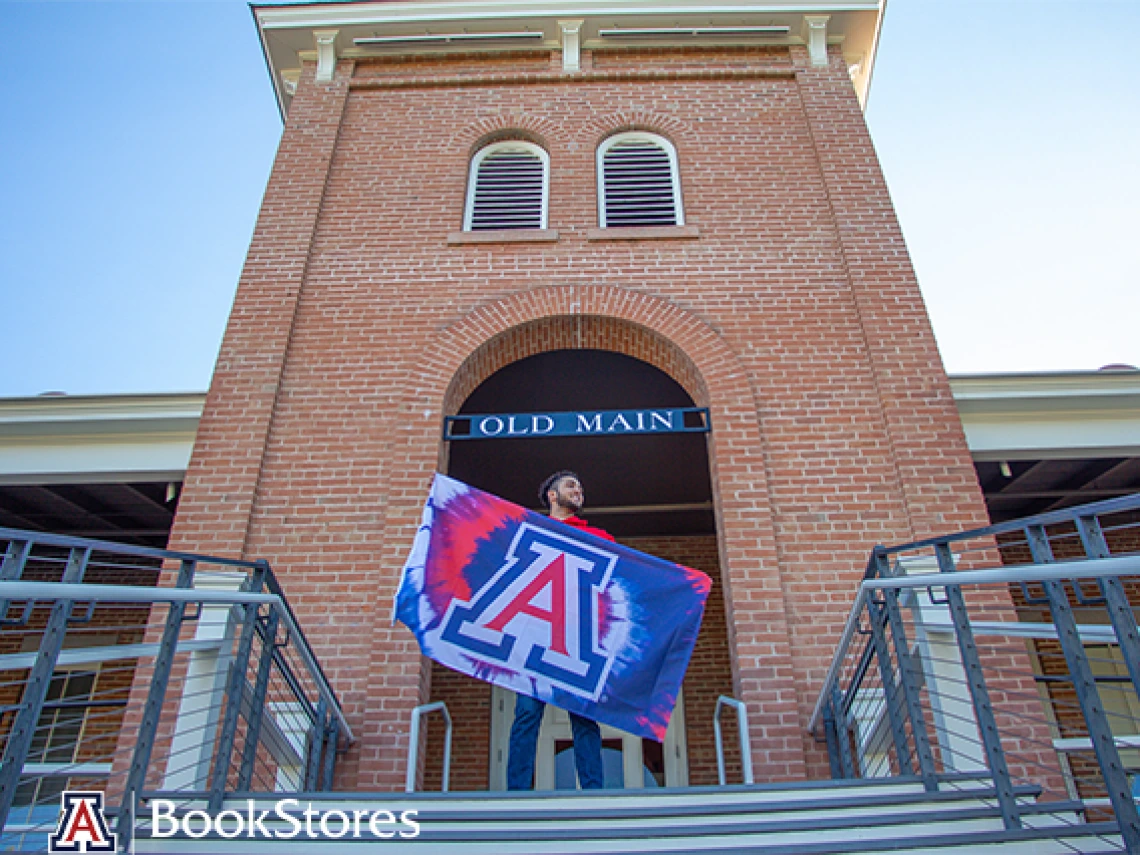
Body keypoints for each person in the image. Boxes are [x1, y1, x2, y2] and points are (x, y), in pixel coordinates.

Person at [506, 470, 614, 791]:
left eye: (580, 486)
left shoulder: (598, 537)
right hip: (535, 637)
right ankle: (517, 794)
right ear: (552, 496)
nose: (578, 490)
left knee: (583, 718)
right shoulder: (529, 532)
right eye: (570, 486)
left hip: (576, 640)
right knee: (526, 715)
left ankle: (594, 793)